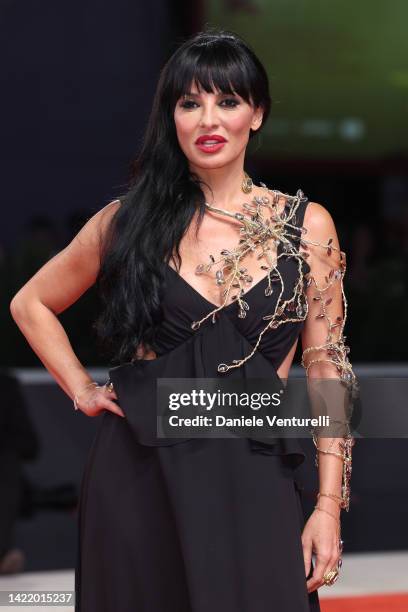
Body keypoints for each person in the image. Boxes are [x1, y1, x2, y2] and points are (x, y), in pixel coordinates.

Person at [10, 28, 358, 612]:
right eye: (189, 102)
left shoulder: (307, 227)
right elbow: (31, 303)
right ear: (171, 116)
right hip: (139, 477)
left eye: (227, 101)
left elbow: (328, 370)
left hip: (255, 476)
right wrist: (82, 390)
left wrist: (326, 506)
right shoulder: (127, 221)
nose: (208, 119)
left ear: (258, 114)